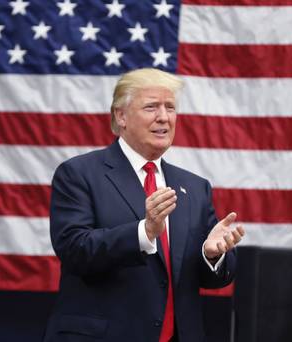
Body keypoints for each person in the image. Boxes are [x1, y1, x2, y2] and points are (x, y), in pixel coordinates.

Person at [44, 68, 245, 342]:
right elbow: (74, 249)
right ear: (121, 116)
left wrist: (212, 256)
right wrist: (144, 232)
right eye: (151, 107)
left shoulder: (195, 188)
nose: (164, 117)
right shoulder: (79, 174)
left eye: (170, 107)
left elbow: (213, 279)